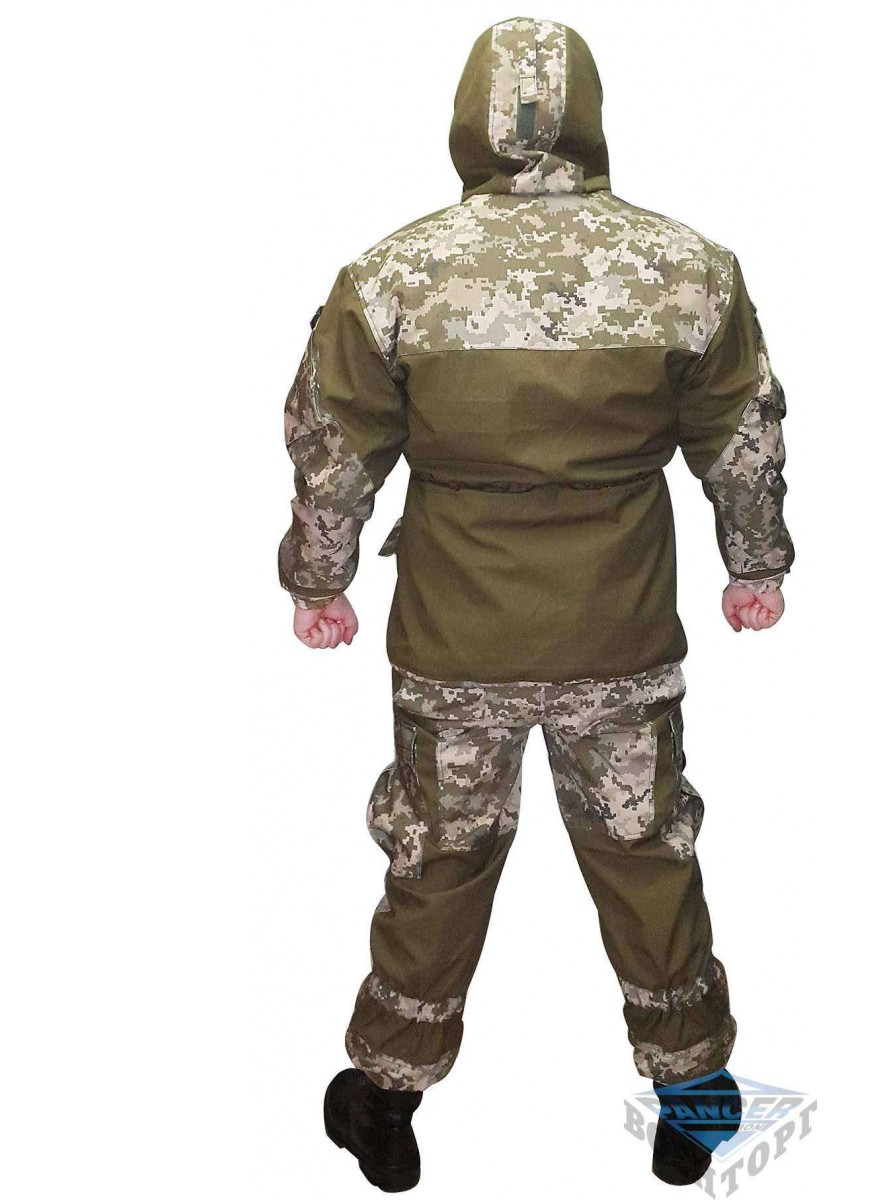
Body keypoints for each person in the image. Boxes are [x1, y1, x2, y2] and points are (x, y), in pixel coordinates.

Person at [279, 17, 794, 1191]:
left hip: (456, 640)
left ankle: (387, 1096)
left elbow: (331, 447)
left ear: (470, 115)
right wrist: (754, 563)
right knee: (645, 853)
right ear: (589, 112)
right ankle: (696, 1097)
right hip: (620, 630)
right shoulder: (688, 268)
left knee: (439, 856)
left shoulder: (393, 275)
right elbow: (743, 434)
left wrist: (319, 577)